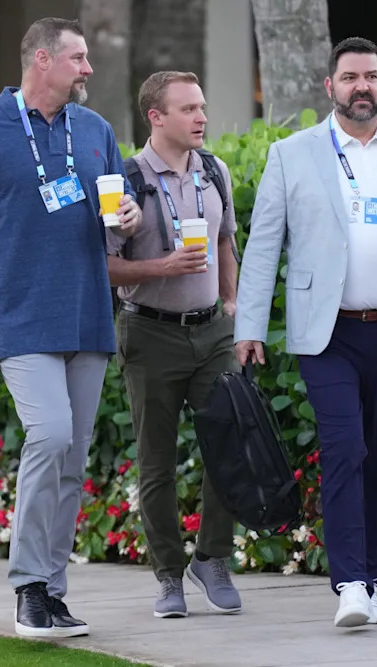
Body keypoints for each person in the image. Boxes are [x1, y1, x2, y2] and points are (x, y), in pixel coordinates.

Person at [234, 37, 377, 629]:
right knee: (344, 448)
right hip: (327, 333)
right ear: (329, 87)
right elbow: (263, 247)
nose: (361, 86)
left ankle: (370, 577)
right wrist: (250, 326)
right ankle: (350, 586)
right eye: (349, 77)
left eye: (371, 76)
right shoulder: (292, 155)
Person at [0, 17, 142, 639]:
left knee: (72, 459)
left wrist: (127, 214)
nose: (88, 69)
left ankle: (52, 591)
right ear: (42, 60)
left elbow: (122, 212)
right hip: (17, 316)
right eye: (78, 58)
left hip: (89, 315)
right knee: (48, 436)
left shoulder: (95, 129)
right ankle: (27, 588)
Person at [106, 71, 242, 619]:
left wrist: (232, 306)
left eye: (202, 107)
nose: (201, 118)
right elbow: (103, 265)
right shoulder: (126, 179)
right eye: (188, 110)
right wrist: (159, 266)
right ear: (156, 117)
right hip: (149, 331)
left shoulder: (215, 170)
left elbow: (227, 239)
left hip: (212, 331)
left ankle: (211, 558)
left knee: (229, 448)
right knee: (157, 463)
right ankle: (168, 576)